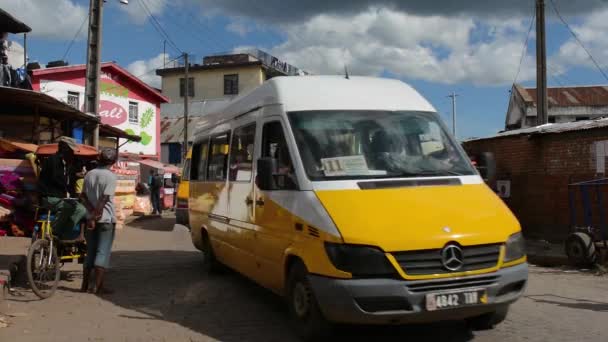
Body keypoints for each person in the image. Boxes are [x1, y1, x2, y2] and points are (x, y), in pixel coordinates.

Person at [80, 148, 118, 294]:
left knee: (90, 251)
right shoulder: (110, 176)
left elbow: (82, 196)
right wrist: (96, 216)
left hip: (90, 217)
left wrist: (90, 215)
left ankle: (84, 285)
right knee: (102, 252)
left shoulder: (90, 174)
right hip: (105, 219)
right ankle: (97, 286)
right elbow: (104, 199)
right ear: (114, 161)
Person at [38, 136, 87, 240]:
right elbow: (57, 179)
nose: (72, 154)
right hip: (50, 197)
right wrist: (72, 176)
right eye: (70, 151)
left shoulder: (66, 164)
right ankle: (54, 231)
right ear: (64, 148)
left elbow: (66, 180)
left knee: (82, 210)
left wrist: (74, 175)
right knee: (69, 207)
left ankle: (64, 233)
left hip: (62, 198)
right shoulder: (53, 160)